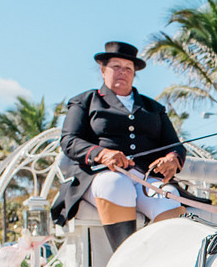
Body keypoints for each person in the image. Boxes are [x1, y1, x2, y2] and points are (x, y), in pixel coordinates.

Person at [52, 41, 188, 251]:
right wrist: (101, 154)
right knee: (116, 184)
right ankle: (125, 258)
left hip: (144, 177)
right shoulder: (85, 101)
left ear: (134, 74)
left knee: (169, 197)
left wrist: (173, 158)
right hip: (101, 175)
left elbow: (174, 145)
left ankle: (164, 263)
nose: (122, 72)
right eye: (116, 67)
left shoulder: (154, 108)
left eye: (128, 68)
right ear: (103, 70)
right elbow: (69, 140)